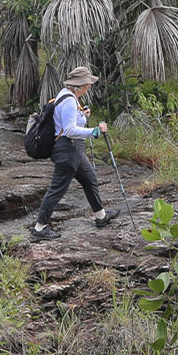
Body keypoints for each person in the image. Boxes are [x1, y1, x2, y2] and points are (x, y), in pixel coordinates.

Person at [29, 66, 121, 242]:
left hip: (72, 150)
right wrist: (94, 131)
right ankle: (39, 228)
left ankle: (101, 216)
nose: (89, 86)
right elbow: (70, 130)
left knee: (89, 178)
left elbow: (67, 123)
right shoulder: (70, 101)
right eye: (88, 84)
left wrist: (83, 116)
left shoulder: (64, 95)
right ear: (81, 85)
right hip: (68, 150)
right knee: (57, 189)